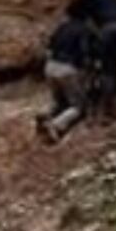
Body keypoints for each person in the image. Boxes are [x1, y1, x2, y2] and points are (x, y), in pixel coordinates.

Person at [38, 14, 97, 142]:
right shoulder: (84, 30)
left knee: (59, 100)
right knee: (78, 107)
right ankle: (56, 125)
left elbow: (49, 47)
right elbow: (85, 53)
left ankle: (45, 114)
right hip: (67, 69)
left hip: (50, 66)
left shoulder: (62, 27)